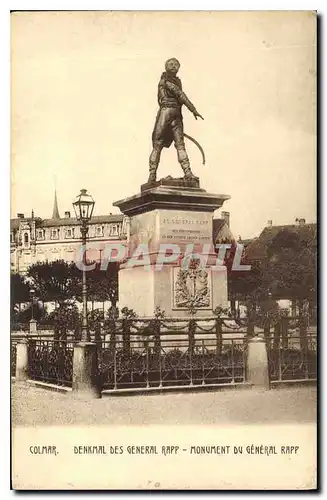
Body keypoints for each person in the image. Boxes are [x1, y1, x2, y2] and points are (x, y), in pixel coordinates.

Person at [148, 58, 204, 183]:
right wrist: (193, 109)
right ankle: (152, 175)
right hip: (167, 111)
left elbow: (180, 95)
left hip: (172, 113)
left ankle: (187, 173)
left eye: (176, 65)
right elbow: (180, 95)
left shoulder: (172, 81)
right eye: (171, 64)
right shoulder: (166, 81)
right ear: (166, 67)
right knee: (158, 144)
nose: (174, 66)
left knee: (176, 144)